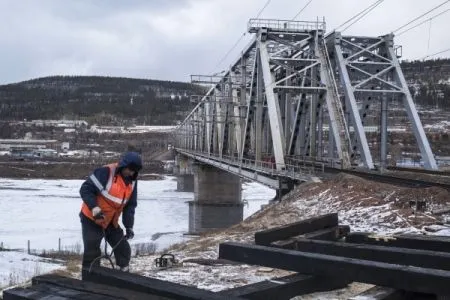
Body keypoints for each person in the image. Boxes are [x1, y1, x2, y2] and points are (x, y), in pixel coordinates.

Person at [79, 151, 142, 271]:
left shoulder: (132, 181)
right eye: (130, 169)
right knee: (92, 252)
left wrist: (129, 226)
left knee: (123, 250)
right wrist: (95, 208)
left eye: (134, 171)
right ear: (123, 165)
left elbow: (130, 205)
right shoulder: (106, 172)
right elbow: (85, 190)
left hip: (110, 221)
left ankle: (123, 277)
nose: (131, 173)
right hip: (92, 218)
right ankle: (90, 281)